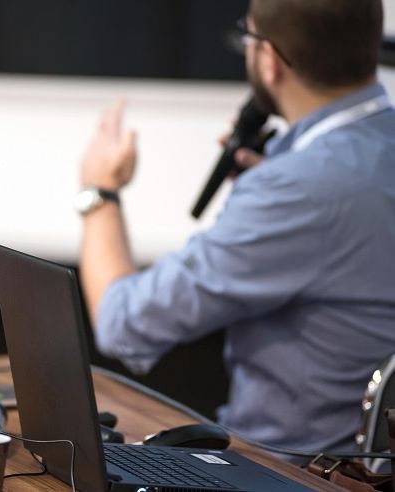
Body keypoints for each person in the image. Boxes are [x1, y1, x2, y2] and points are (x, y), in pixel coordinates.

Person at [75, 0, 395, 456]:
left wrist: (100, 193)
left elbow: (124, 322)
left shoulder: (293, 188)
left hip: (290, 472)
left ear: (269, 59)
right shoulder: (322, 172)